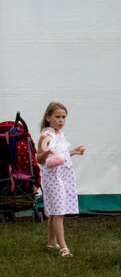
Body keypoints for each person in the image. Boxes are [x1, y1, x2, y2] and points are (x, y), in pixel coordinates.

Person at [35, 101, 84, 258]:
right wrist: (47, 151)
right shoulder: (46, 136)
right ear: (48, 118)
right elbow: (40, 159)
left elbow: (60, 156)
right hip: (53, 178)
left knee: (54, 212)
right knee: (59, 213)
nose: (61, 120)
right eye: (57, 117)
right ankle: (63, 246)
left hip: (63, 177)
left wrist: (73, 152)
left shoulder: (60, 135)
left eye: (63, 117)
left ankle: (51, 242)